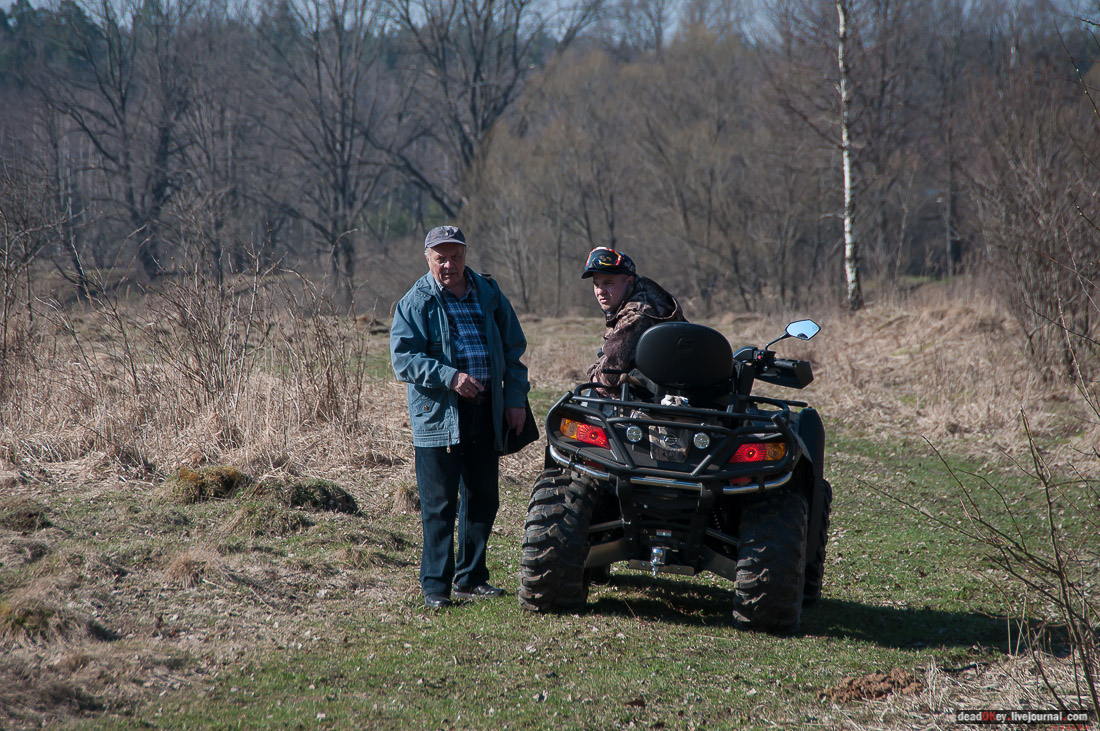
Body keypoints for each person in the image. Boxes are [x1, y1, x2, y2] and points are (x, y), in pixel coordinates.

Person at [390, 225, 530, 609]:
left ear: (465, 255)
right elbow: (403, 359)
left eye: (455, 256)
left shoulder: (488, 292)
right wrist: (450, 377)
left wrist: (515, 399)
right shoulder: (416, 301)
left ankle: (471, 579)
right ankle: (436, 587)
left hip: (487, 411)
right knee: (439, 506)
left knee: (483, 498)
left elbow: (513, 349)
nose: (449, 265)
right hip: (438, 417)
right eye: (441, 258)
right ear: (427, 259)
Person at [582, 246, 685, 392]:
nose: (600, 291)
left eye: (608, 283)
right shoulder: (645, 296)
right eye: (596, 284)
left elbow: (608, 380)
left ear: (629, 281)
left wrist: (593, 374)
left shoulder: (637, 313)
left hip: (664, 401)